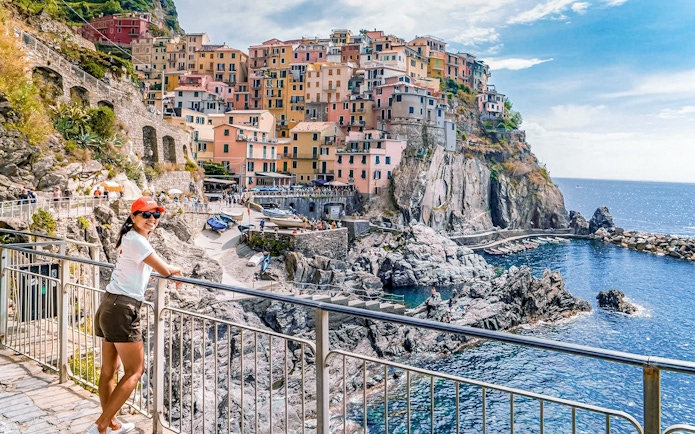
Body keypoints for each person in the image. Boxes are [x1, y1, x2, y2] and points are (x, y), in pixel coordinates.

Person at [88, 197, 182, 434]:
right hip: (123, 310)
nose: (152, 219)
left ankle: (111, 423)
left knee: (109, 370)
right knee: (135, 371)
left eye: (156, 215)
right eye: (146, 214)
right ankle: (101, 424)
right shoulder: (138, 241)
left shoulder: (129, 238)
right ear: (133, 217)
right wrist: (176, 269)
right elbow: (164, 270)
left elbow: (147, 266)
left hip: (109, 305)